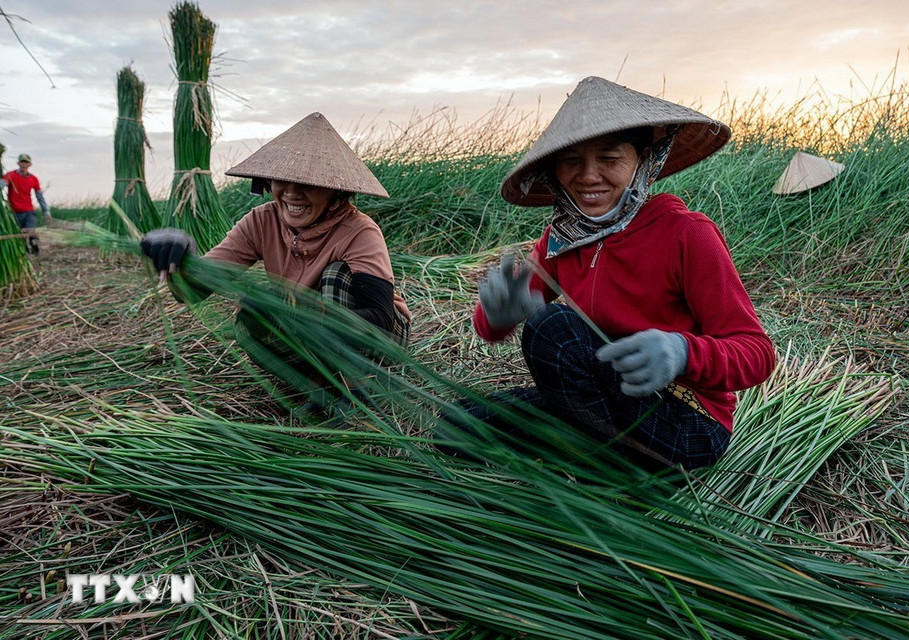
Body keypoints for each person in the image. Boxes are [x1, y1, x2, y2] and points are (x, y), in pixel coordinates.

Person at [462, 76, 776, 472]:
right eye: (572, 161)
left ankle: (594, 467)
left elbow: (757, 354)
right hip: (605, 404)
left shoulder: (687, 233)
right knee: (458, 422)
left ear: (644, 160)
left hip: (685, 421)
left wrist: (682, 352)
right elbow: (489, 330)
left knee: (551, 327)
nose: (588, 176)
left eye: (609, 158)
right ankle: (594, 455)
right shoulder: (562, 238)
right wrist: (498, 314)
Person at [139, 112, 411, 418]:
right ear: (267, 181)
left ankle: (355, 388)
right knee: (252, 316)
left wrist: (301, 311)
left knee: (334, 277)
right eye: (283, 179)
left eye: (309, 183)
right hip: (312, 332)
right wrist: (181, 255)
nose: (292, 192)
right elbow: (193, 290)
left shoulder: (359, 231)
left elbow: (380, 319)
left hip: (378, 340)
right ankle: (318, 386)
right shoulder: (261, 222)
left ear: (337, 191)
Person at [2, 153, 52, 254]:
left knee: (31, 233)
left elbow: (40, 197)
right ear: (18, 163)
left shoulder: (33, 179)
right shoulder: (11, 175)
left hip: (29, 212)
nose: (24, 164)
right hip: (14, 212)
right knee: (19, 236)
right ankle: (23, 254)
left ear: (29, 164)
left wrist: (46, 212)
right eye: (22, 162)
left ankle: (35, 254)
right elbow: (2, 184)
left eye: (26, 162)